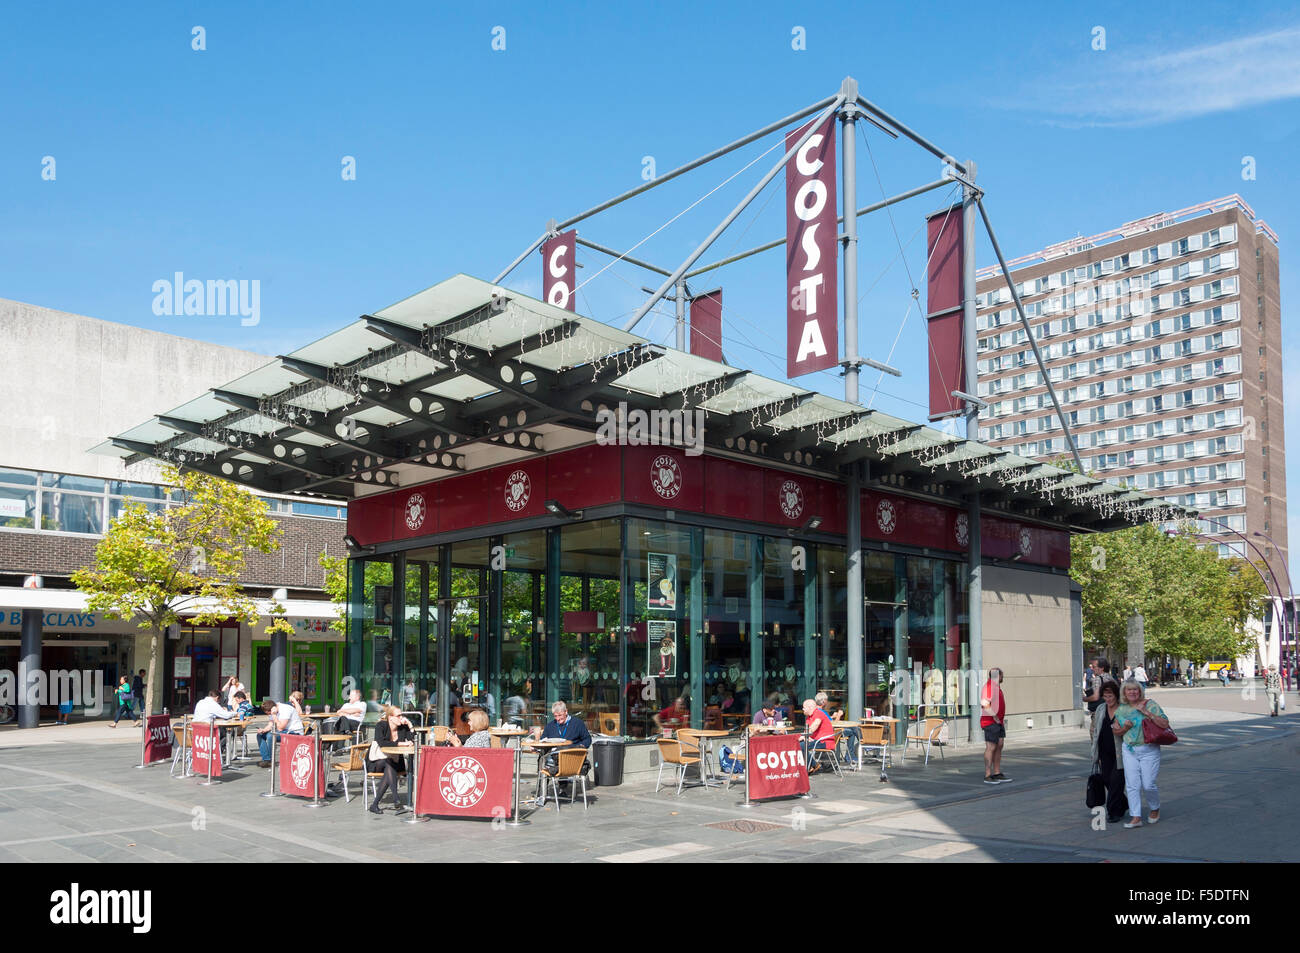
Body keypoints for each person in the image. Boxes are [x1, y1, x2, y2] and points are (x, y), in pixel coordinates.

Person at [1113, 678, 1171, 828]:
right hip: (1129, 749)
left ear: (1140, 691)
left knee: (1148, 784)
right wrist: (1124, 728)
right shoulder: (1121, 709)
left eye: (1135, 689)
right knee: (1132, 784)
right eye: (1129, 689)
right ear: (1124, 692)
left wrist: (1146, 712)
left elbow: (1165, 723)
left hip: (1149, 749)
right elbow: (1116, 731)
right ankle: (1136, 817)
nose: (1132, 692)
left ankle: (1154, 808)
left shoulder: (1150, 704)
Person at [1089, 678, 1129, 824]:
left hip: (1121, 752)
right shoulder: (1100, 709)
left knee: (1116, 781)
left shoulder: (1123, 709)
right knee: (1107, 780)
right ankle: (1123, 803)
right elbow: (1094, 730)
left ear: (1116, 695)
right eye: (1105, 696)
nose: (1107, 699)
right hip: (1104, 751)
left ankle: (1114, 812)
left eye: (1110, 696)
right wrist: (1094, 749)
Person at [366, 705, 415, 814]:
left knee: (389, 765)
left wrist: (410, 725)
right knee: (389, 763)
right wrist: (401, 743)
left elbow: (413, 739)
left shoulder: (403, 728)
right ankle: (396, 798)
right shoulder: (381, 726)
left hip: (395, 761)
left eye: (401, 715)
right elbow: (382, 742)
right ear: (390, 717)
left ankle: (375, 804)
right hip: (377, 761)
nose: (401, 717)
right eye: (398, 715)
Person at [980, 667, 1010, 784]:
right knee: (991, 747)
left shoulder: (996, 687)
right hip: (990, 722)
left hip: (998, 722)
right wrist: (995, 716)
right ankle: (988, 775)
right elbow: (984, 703)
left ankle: (997, 772)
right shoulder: (989, 687)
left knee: (999, 745)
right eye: (1002, 675)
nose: (1003, 677)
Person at [255, 697, 304, 767]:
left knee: (270, 736)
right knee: (260, 735)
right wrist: (263, 730)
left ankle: (270, 760)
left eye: (269, 713)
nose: (269, 715)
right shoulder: (273, 710)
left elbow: (280, 728)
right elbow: (270, 725)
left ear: (272, 709)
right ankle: (266, 759)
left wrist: (274, 715)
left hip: (295, 732)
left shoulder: (285, 709)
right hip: (285, 731)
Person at [816, 690, 859, 764]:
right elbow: (833, 724)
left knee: (853, 729)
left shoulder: (817, 711)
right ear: (823, 702)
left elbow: (826, 720)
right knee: (853, 730)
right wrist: (839, 715)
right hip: (831, 733)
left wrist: (832, 716)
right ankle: (860, 746)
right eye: (826, 700)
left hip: (823, 733)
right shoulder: (822, 712)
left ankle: (851, 753)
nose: (827, 702)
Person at [800, 698, 835, 770]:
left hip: (825, 741)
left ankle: (812, 765)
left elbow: (814, 726)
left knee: (801, 745)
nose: (802, 709)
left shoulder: (818, 713)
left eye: (804, 707)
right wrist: (806, 737)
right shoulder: (808, 717)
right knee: (799, 744)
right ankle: (811, 765)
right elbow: (807, 731)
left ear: (809, 707)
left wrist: (804, 736)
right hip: (817, 740)